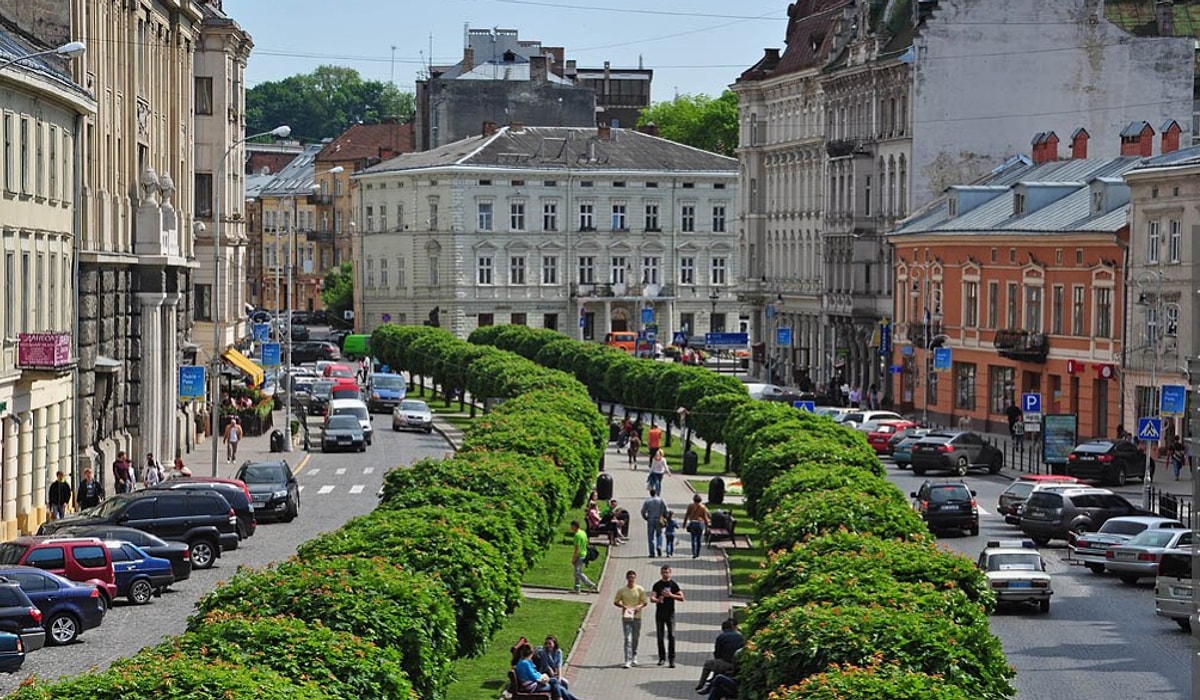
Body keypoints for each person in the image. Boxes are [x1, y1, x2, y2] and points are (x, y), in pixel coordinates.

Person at [696, 618, 744, 693]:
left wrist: (718, 660)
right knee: (718, 666)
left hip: (727, 663)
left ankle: (701, 684)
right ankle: (710, 685)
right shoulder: (740, 636)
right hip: (738, 663)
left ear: (723, 629)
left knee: (708, 664)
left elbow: (717, 652)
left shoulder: (721, 637)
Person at [650, 564, 683, 668]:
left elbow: (682, 597)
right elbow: (652, 598)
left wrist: (671, 595)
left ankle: (672, 659)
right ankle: (662, 658)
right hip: (660, 614)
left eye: (667, 572)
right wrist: (657, 600)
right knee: (660, 636)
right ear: (661, 573)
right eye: (663, 572)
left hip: (670, 614)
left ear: (670, 572)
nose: (665, 574)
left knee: (671, 636)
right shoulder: (657, 585)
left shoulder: (673, 584)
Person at [612, 570, 647, 668]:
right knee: (628, 639)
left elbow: (644, 602)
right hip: (626, 617)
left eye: (633, 577)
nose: (631, 579)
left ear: (635, 578)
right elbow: (616, 601)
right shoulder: (622, 590)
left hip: (637, 616)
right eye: (630, 577)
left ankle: (634, 655)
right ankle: (627, 660)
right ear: (627, 578)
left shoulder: (640, 589)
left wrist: (639, 607)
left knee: (635, 637)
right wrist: (623, 606)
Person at [533, 635, 581, 700]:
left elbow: (559, 665)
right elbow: (547, 667)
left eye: (550, 643)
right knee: (560, 687)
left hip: (554, 674)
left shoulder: (558, 652)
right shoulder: (543, 652)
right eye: (546, 643)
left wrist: (559, 677)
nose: (548, 645)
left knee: (564, 683)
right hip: (546, 674)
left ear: (554, 644)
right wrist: (556, 680)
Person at [570, 521, 599, 594]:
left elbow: (577, 548)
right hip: (584, 553)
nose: (571, 528)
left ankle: (591, 584)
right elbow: (586, 542)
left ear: (575, 526)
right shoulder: (583, 533)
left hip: (580, 555)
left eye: (572, 526)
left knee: (577, 572)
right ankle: (577, 588)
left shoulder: (577, 535)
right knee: (577, 571)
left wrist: (574, 558)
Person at [641, 488, 669, 558]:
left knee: (651, 537)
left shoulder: (647, 501)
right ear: (656, 493)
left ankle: (652, 553)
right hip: (659, 519)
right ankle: (659, 545)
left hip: (650, 519)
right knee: (659, 534)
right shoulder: (661, 500)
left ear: (650, 493)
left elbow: (643, 511)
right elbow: (666, 510)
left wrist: (645, 517)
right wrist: (665, 517)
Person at [684, 493, 710, 559]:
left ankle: (694, 553)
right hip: (700, 523)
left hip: (692, 523)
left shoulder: (690, 506)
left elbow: (687, 515)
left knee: (693, 538)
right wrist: (707, 526)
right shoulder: (703, 507)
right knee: (699, 539)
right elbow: (705, 517)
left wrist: (684, 524)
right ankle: (698, 553)